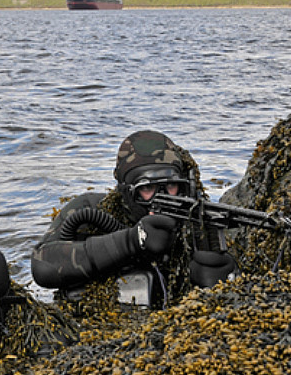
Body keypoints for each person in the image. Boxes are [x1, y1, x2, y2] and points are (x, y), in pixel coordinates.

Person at [31, 130, 237, 307]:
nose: (163, 197)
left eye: (171, 186)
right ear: (127, 191)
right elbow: (42, 266)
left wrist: (217, 277)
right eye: (148, 188)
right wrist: (130, 241)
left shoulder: (194, 221)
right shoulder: (91, 210)